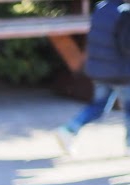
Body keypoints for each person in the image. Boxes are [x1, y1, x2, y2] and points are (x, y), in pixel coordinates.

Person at [54, 0, 130, 155]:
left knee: (99, 105)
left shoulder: (101, 7)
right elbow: (127, 45)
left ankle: (69, 129)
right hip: (122, 72)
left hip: (99, 69)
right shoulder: (125, 12)